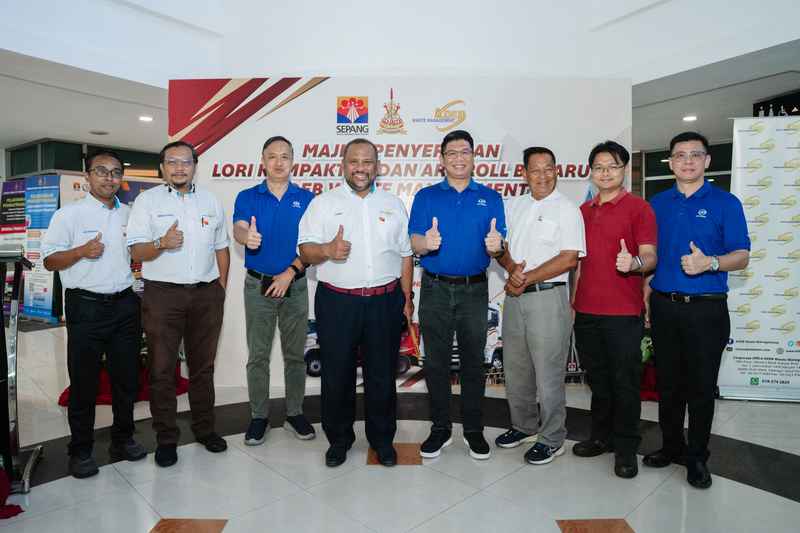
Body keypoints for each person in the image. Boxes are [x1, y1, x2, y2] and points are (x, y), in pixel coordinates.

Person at [298, 138, 413, 468]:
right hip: (337, 302)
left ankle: (382, 440)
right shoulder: (322, 204)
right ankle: (339, 440)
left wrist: (407, 300)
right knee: (337, 375)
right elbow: (304, 250)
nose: (360, 168)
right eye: (354, 161)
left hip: (384, 301)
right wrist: (327, 250)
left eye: (367, 162)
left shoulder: (393, 204)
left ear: (377, 166)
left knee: (382, 375)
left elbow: (405, 255)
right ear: (343, 165)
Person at [644, 131, 749, 489]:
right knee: (668, 385)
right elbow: (651, 257)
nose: (687, 161)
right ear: (670, 162)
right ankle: (671, 446)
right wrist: (646, 294)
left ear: (707, 160)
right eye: (680, 155)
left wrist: (711, 263)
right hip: (664, 306)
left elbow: (742, 256)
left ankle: (697, 457)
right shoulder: (657, 204)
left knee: (701, 388)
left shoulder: (726, 203)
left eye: (695, 154)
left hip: (707, 310)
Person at [43, 149, 146, 478]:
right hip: (85, 305)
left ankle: (123, 439)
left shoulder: (129, 213)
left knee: (126, 379)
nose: (109, 178)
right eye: (101, 171)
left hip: (125, 304)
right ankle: (81, 450)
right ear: (87, 176)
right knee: (84, 381)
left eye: (115, 172)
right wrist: (81, 251)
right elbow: (49, 261)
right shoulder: (69, 215)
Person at [127, 140, 230, 468]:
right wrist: (161, 243)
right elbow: (136, 251)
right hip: (163, 296)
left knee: (203, 367)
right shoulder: (147, 202)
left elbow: (222, 247)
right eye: (172, 162)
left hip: (206, 294)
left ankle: (205, 430)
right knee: (161, 369)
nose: (179, 167)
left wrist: (220, 288)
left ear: (194, 166)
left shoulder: (210, 201)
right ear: (162, 168)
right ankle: (166, 439)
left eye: (185, 162)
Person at [408, 129, 506, 460]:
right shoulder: (426, 197)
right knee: (436, 362)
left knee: (473, 362)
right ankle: (440, 428)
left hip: (474, 289)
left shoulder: (491, 198)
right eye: (452, 153)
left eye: (465, 152)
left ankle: (474, 430)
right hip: (434, 287)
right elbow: (413, 241)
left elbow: (499, 243)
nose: (459, 158)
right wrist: (426, 243)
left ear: (474, 157)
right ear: (442, 159)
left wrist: (498, 246)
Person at [571, 141, 657, 478]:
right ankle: (600, 437)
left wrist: (633, 263)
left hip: (623, 313)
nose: (605, 172)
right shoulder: (582, 212)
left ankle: (626, 449)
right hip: (586, 312)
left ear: (624, 171)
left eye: (613, 166)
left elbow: (650, 255)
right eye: (599, 167)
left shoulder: (639, 208)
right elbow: (577, 265)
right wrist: (574, 303)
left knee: (625, 384)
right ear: (591, 172)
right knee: (599, 381)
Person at [495, 146, 585, 465]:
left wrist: (525, 278)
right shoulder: (513, 205)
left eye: (549, 169)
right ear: (524, 174)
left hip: (548, 297)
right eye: (535, 169)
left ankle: (552, 438)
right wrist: (510, 268)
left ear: (557, 171)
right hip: (515, 296)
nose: (543, 175)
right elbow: (502, 249)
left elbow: (569, 258)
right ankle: (523, 426)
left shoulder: (567, 209)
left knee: (548, 373)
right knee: (516, 368)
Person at [232, 136, 315, 445]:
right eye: (272, 156)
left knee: (295, 355)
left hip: (295, 284)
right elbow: (239, 226)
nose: (278, 162)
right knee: (258, 355)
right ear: (263, 161)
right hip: (258, 286)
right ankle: (259, 417)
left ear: (293, 161)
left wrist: (288, 274)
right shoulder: (247, 196)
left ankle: (295, 413)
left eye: (284, 156)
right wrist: (245, 237)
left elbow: (311, 247)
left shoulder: (307, 199)